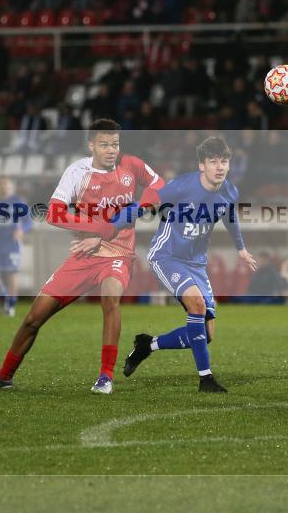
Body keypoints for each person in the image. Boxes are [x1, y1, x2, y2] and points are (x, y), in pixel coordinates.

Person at [0, 119, 165, 394]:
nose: (111, 150)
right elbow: (54, 212)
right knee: (34, 318)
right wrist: (96, 228)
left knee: (110, 301)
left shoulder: (131, 165)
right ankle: (4, 375)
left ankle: (105, 376)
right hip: (84, 257)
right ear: (91, 145)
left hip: (118, 254)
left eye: (115, 144)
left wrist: (132, 212)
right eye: (105, 144)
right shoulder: (78, 172)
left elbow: (159, 185)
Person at [122, 136, 257, 393]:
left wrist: (240, 249)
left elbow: (229, 217)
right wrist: (111, 228)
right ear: (201, 165)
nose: (220, 166)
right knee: (196, 305)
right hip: (167, 256)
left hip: (196, 263)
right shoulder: (181, 187)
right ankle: (206, 379)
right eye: (213, 161)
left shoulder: (229, 191)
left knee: (206, 335)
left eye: (224, 161)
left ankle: (147, 345)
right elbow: (147, 203)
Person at [0, 177, 32, 317]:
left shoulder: (18, 201)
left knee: (10, 276)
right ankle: (4, 297)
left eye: (6, 184)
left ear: (11, 187)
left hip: (12, 245)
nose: (3, 186)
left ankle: (11, 307)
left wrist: (21, 230)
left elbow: (28, 222)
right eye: (1, 184)